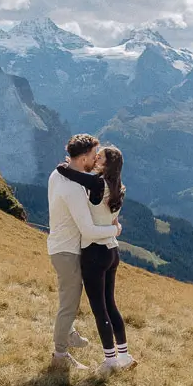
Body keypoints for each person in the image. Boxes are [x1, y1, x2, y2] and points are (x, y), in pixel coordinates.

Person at [55, 145, 137, 375]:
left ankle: (109, 361)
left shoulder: (97, 183)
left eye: (98, 157)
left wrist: (66, 162)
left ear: (106, 163)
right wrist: (115, 229)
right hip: (112, 252)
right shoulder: (119, 187)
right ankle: (124, 355)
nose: (95, 159)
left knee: (99, 309)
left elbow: (67, 172)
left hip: (94, 252)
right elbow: (113, 222)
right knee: (111, 305)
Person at [46, 134, 121, 371]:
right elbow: (87, 229)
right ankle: (60, 354)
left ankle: (68, 332)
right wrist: (114, 230)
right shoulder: (74, 190)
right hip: (67, 249)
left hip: (61, 245)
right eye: (94, 156)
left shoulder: (57, 174)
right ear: (86, 157)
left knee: (70, 296)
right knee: (69, 302)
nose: (95, 160)